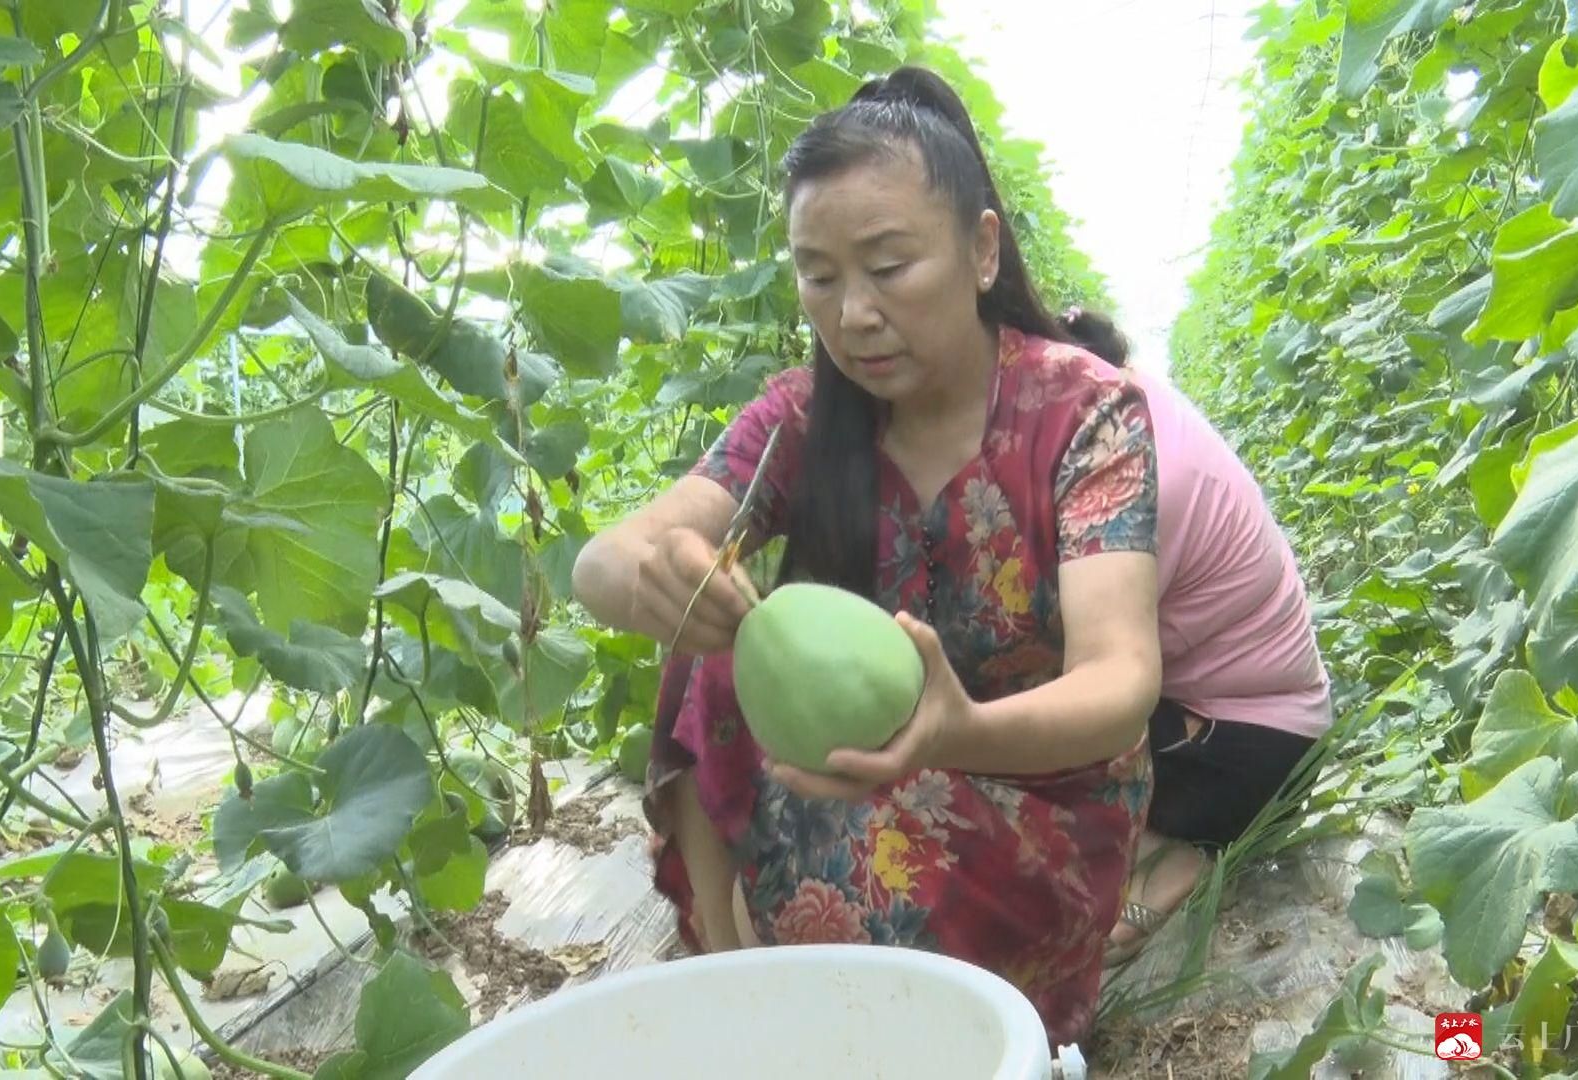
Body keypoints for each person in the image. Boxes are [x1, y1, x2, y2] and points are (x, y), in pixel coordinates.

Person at [571, 65, 1164, 1051]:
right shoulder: (802, 418)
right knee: (707, 635)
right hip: (848, 772)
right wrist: (659, 573)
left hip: (1037, 804)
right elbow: (603, 560)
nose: (852, 314)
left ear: (980, 252)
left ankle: (824, 1002)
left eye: (888, 267)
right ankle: (731, 970)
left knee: (887, 1002)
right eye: (819, 275)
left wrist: (953, 732)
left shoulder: (1082, 413)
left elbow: (1122, 679)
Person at [1052, 308, 1332, 964]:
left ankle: (1170, 856)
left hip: (1245, 751)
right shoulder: (1126, 405)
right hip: (1244, 717)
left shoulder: (1135, 477)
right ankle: (1149, 847)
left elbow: (1075, 664)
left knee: (1015, 772)